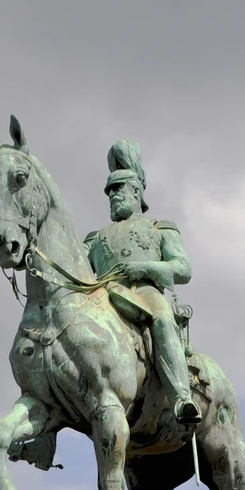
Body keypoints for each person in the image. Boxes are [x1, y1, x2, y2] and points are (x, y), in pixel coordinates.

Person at [83, 141, 202, 424]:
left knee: (161, 319)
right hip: (104, 297)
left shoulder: (160, 228)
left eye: (118, 189)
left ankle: (181, 397)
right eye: (109, 192)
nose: (112, 196)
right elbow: (73, 264)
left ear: (136, 191)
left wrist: (145, 267)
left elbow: (183, 268)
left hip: (144, 292)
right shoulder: (94, 237)